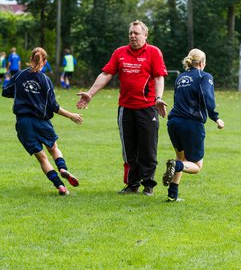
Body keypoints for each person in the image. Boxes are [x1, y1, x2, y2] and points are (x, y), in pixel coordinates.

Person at [77, 20, 168, 196]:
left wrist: (158, 98)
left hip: (148, 108)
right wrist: (90, 93)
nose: (133, 36)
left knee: (148, 148)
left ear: (145, 35)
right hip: (125, 109)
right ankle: (132, 184)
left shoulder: (153, 52)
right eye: (130, 33)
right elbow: (106, 74)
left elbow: (158, 77)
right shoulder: (120, 53)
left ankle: (148, 185)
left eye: (136, 33)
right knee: (129, 149)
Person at [2, 47, 83, 196]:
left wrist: (23, 94)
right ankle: (63, 168)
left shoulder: (19, 76)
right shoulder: (45, 80)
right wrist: (71, 115)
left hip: (23, 123)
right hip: (41, 122)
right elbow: (54, 106)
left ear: (31, 59)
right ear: (44, 62)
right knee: (53, 148)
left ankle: (60, 186)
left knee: (42, 158)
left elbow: (5, 91)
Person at [162, 48, 224, 202]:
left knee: (181, 157)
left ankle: (172, 195)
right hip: (191, 124)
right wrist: (216, 118)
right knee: (196, 166)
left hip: (173, 123)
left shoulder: (181, 78)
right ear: (202, 63)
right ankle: (175, 166)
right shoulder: (204, 76)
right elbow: (207, 97)